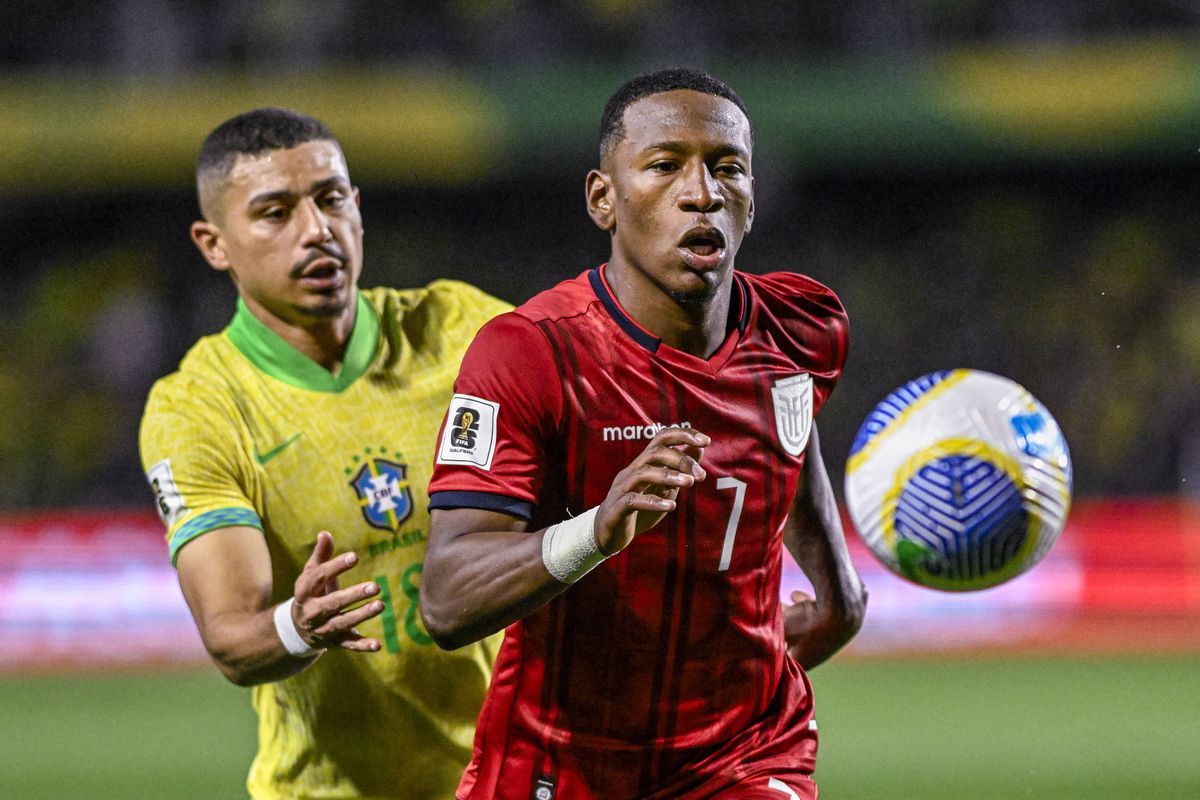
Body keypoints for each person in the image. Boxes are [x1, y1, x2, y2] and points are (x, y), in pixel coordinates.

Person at [421, 68, 868, 799]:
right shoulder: (531, 352)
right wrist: (597, 529)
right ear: (604, 198)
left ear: (750, 200)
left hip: (745, 758)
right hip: (558, 764)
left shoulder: (804, 328)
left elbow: (792, 433)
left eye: (729, 168)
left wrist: (839, 596)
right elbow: (446, 600)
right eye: (665, 166)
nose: (703, 192)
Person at [138, 108, 510, 800]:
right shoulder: (200, 408)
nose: (316, 230)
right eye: (275, 213)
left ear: (357, 207)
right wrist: (297, 624)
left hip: (508, 780)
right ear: (214, 243)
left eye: (330, 199)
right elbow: (231, 635)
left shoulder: (465, 330)